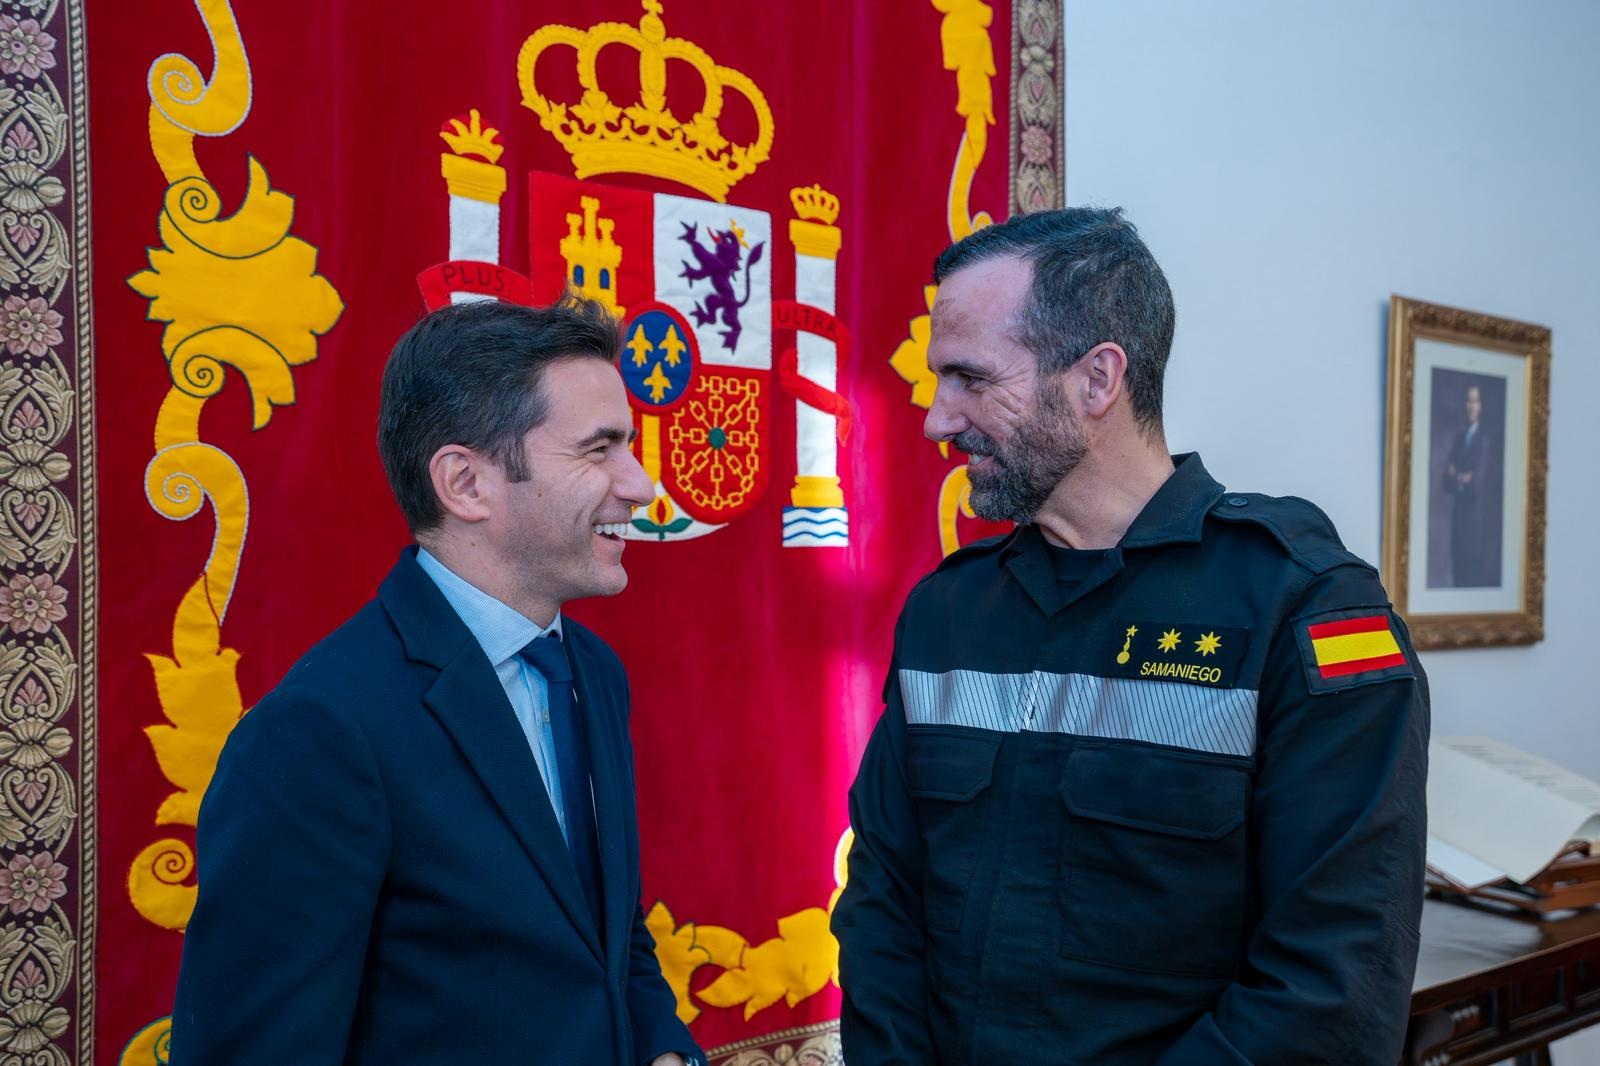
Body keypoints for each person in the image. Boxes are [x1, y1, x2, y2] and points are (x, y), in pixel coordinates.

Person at [832, 209, 1429, 1064]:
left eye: (969, 377)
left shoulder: (1304, 609)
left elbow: (1334, 984)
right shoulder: (948, 612)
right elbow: (883, 904)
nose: (936, 418)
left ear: (1097, 379)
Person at [171, 296, 703, 1065]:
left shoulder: (593, 672)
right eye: (599, 450)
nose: (642, 484)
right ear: (465, 483)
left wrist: (664, 1051)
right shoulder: (319, 732)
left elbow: (606, 936)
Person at [1442, 383, 1492, 586]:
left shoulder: (1484, 441)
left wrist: (1456, 477)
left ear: (1481, 406)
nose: (1471, 406)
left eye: (1475, 401)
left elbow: (1476, 485)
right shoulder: (1458, 439)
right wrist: (1461, 479)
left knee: (1471, 583)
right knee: (1457, 581)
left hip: (1475, 532)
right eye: (1468, 401)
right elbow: (1445, 482)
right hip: (1458, 531)